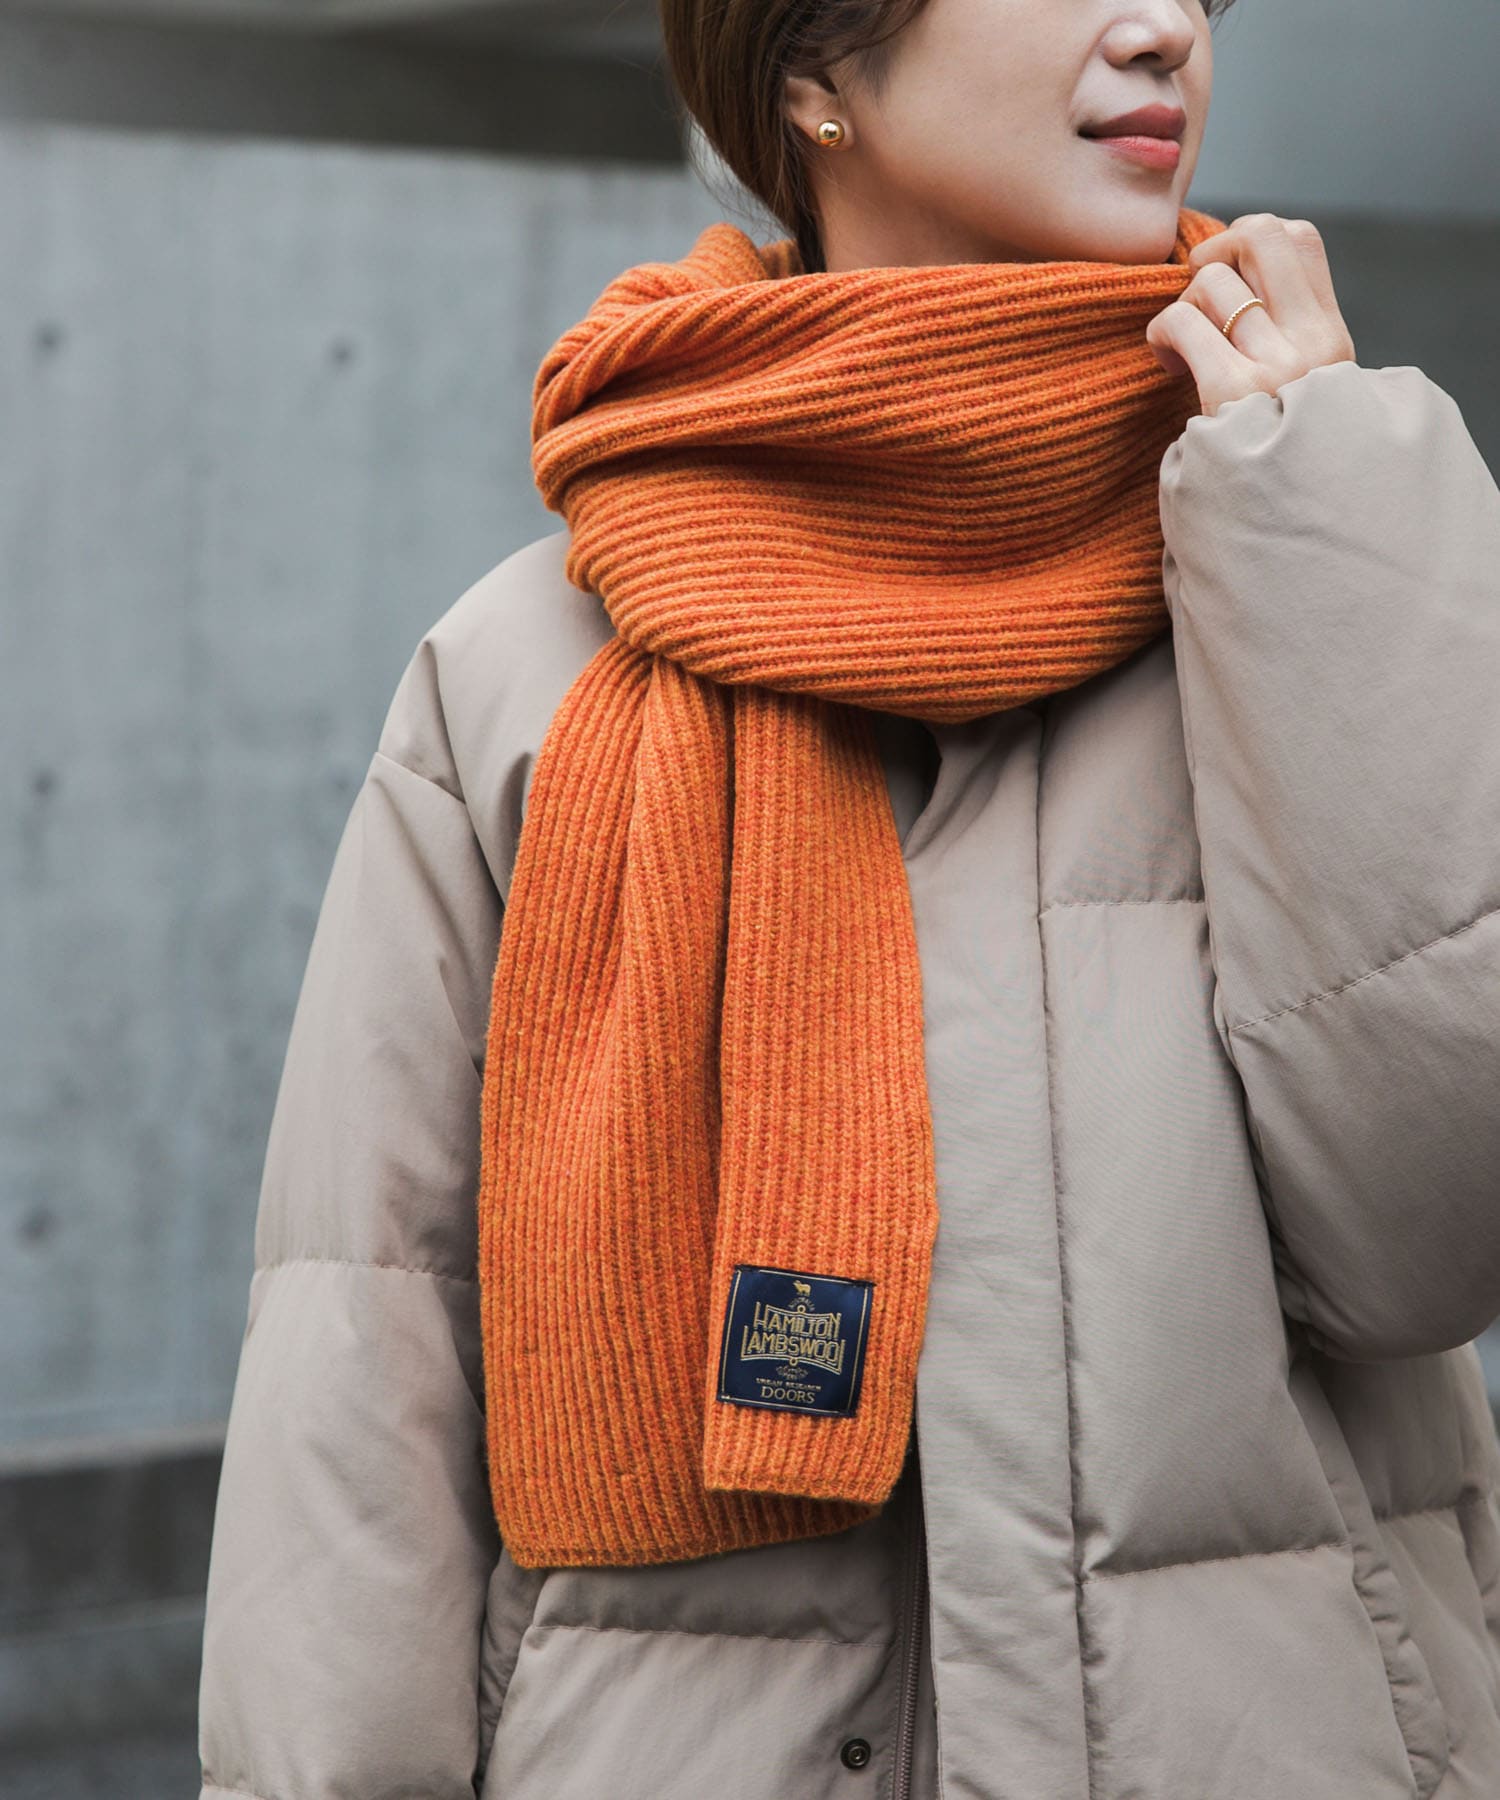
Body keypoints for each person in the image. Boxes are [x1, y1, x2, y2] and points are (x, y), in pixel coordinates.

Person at [196, 0, 1500, 1795]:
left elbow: (1438, 1237)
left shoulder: (1311, 545)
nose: (1162, 30)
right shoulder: (521, 672)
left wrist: (1321, 518)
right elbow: (363, 1355)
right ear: (812, 71)